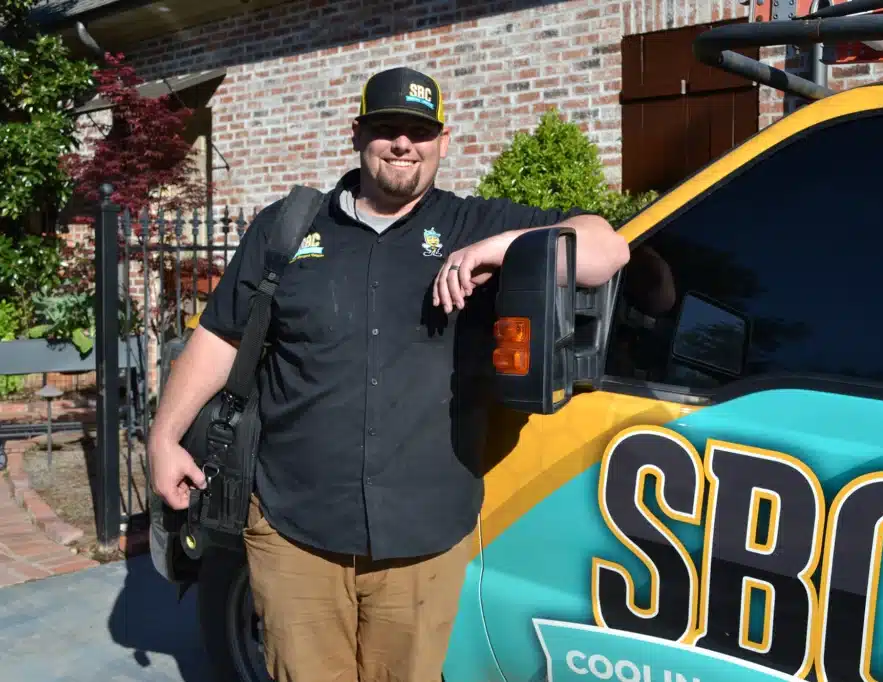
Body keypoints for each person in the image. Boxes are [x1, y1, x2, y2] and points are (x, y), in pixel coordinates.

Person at [147, 66, 630, 682]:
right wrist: (164, 438)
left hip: (424, 537)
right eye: (387, 128)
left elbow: (606, 248)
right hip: (295, 527)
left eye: (419, 131)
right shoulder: (289, 228)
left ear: (442, 142)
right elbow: (220, 335)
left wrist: (496, 250)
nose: (403, 143)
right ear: (359, 134)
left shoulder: (470, 224)